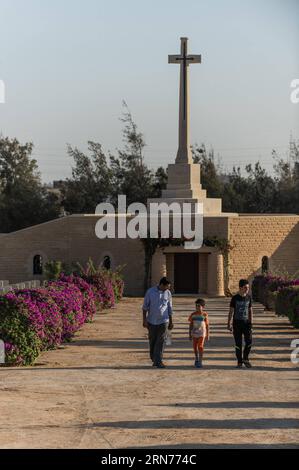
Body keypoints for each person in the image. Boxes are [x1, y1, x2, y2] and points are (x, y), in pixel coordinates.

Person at [142, 277, 173, 368]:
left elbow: (170, 308)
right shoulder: (150, 292)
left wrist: (171, 321)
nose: (167, 289)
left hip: (164, 321)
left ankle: (159, 360)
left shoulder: (168, 293)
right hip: (151, 321)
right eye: (166, 287)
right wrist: (144, 320)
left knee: (161, 341)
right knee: (152, 341)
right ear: (161, 285)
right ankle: (154, 359)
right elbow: (145, 307)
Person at [227, 279, 253, 368]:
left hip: (246, 324)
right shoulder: (235, 298)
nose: (247, 289)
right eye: (245, 288)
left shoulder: (249, 297)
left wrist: (251, 323)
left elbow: (250, 311)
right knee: (238, 344)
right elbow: (231, 311)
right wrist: (228, 324)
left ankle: (246, 358)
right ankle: (239, 361)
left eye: (248, 288)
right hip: (237, 324)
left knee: (249, 342)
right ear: (240, 288)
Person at [188, 298, 209, 368]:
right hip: (194, 333)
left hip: (202, 333)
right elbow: (190, 324)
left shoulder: (205, 315)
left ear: (203, 307)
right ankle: (196, 358)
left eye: (199, 306)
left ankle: (200, 361)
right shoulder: (193, 315)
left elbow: (207, 325)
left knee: (200, 346)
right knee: (194, 347)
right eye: (196, 306)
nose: (197, 307)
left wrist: (207, 335)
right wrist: (190, 334)